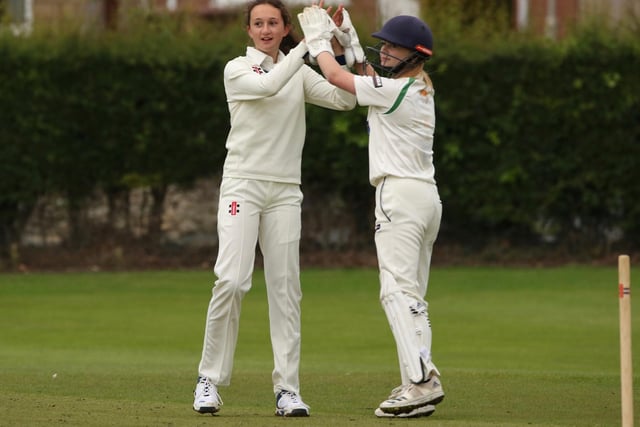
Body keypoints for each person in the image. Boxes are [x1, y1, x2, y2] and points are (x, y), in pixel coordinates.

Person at [192, 0, 356, 418]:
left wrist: (337, 45)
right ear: (248, 30)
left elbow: (345, 100)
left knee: (286, 289)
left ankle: (288, 389)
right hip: (242, 186)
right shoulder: (237, 69)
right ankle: (209, 379)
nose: (266, 30)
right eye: (258, 23)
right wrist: (309, 43)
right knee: (231, 280)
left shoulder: (298, 70)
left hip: (285, 191)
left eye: (274, 23)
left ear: (286, 28)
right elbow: (268, 86)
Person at [297, 5, 445, 418]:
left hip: (398, 195)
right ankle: (416, 384)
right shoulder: (413, 89)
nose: (385, 54)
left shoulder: (399, 89)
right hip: (425, 198)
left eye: (392, 50)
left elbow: (338, 79)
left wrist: (317, 40)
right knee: (411, 295)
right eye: (382, 47)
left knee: (396, 291)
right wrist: (349, 38)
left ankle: (421, 381)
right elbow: (366, 78)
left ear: (415, 55)